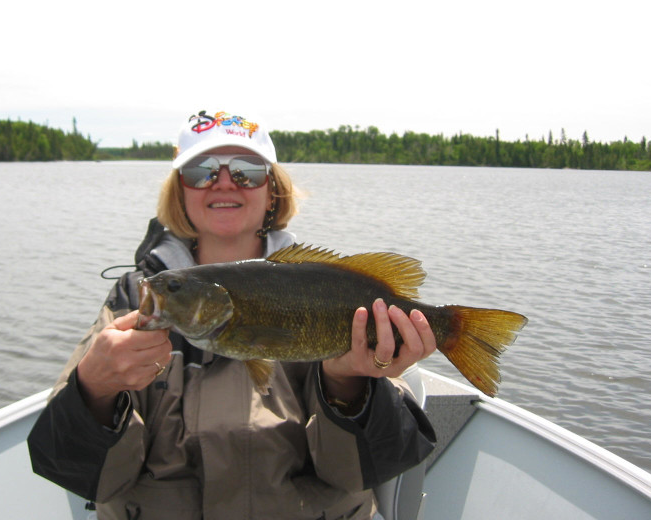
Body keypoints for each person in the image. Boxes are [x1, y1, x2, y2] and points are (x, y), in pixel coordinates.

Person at [27, 110, 437, 520]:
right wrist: (94, 391)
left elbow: (377, 464)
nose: (224, 181)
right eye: (201, 170)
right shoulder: (135, 301)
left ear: (272, 190)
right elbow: (75, 470)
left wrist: (349, 383)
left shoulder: (323, 288)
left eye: (246, 170)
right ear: (180, 191)